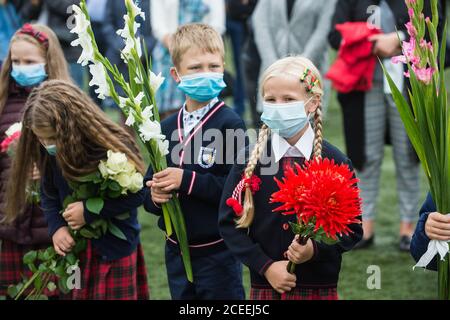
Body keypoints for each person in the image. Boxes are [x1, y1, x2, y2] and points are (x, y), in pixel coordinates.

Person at [218, 56, 362, 300]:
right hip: (265, 287)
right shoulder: (249, 160)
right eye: (271, 100)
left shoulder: (335, 161)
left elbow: (352, 229)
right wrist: (265, 266)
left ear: (312, 102)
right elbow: (228, 224)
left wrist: (314, 251)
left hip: (318, 288)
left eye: (289, 99)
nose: (278, 106)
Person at [4, 80, 149, 300]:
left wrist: (89, 212)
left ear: (71, 126)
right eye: (40, 138)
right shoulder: (47, 152)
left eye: (51, 138)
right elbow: (48, 193)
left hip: (114, 248)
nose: (46, 144)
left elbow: (140, 193)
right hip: (76, 252)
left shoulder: (110, 145)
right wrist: (56, 227)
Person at [328, 0, 444, 251]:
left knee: (410, 155)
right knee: (365, 157)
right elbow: (334, 35)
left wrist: (401, 38)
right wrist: (371, 43)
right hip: (364, 87)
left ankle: (410, 226)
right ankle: (363, 226)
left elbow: (438, 31)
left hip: (411, 87)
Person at [143, 23, 246, 300]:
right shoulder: (164, 128)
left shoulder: (231, 123)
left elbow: (237, 191)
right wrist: (154, 195)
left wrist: (186, 180)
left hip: (218, 252)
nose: (206, 74)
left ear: (224, 68)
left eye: (214, 66)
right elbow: (147, 188)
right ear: (176, 75)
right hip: (176, 250)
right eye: (196, 68)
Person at [0, 23, 71, 298]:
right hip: (9, 223)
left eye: (29, 61)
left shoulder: (64, 103)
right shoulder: (4, 102)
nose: (21, 67)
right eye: (15, 61)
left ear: (47, 61)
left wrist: (45, 168)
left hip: (50, 226)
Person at [252, 0, 335, 113]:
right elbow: (260, 22)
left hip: (309, 73)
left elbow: (323, 29)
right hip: (272, 72)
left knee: (306, 121)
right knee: (272, 125)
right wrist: (274, 66)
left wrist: (301, 66)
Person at [150, 0, 225, 119]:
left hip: (203, 52)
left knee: (201, 103)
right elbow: (158, 25)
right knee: (168, 108)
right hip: (168, 52)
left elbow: (217, 24)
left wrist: (198, 48)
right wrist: (177, 47)